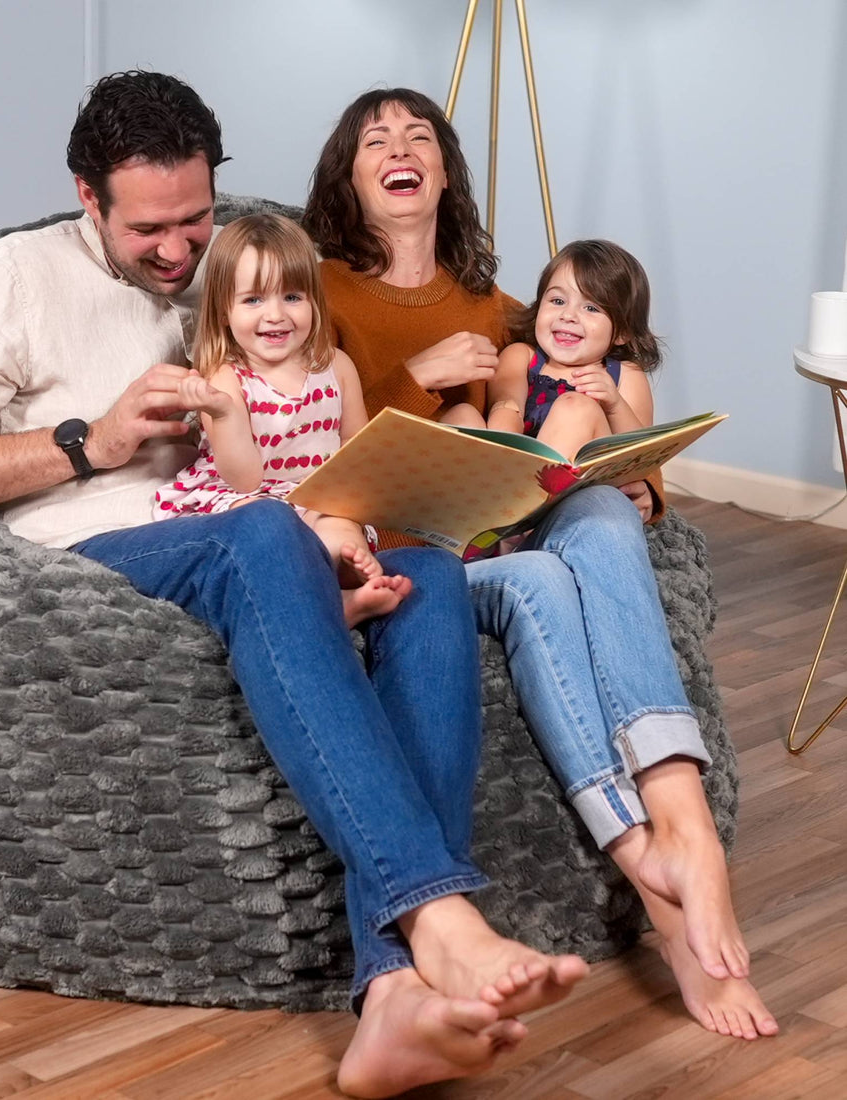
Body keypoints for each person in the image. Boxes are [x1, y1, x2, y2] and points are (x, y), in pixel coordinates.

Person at [0, 71, 591, 1098]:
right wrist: (87, 441)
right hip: (115, 552)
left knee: (420, 564)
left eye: (195, 218)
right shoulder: (11, 281)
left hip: (261, 529)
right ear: (86, 197)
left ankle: (392, 996)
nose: (175, 249)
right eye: (147, 228)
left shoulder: (231, 268)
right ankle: (437, 916)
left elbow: (307, 404)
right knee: (260, 535)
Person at [305, 86, 778, 1042]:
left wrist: (642, 477)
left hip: (508, 525)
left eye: (419, 135)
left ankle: (679, 821)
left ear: (444, 169)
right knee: (543, 580)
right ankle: (656, 881)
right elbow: (297, 450)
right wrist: (416, 380)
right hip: (416, 550)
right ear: (348, 175)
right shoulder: (313, 289)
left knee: (602, 510)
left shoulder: (497, 301)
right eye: (374, 138)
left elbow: (591, 364)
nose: (399, 146)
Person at [154, 213, 408, 627]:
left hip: (313, 499)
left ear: (313, 302)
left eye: (292, 297)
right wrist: (223, 413)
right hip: (248, 501)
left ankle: (343, 576)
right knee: (268, 525)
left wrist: (361, 500)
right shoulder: (225, 379)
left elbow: (357, 450)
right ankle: (335, 605)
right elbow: (244, 480)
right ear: (223, 312)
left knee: (342, 524)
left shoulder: (336, 367)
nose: (276, 315)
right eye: (253, 300)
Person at [487, 239, 658, 459]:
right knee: (462, 414)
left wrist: (615, 404)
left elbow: (643, 455)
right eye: (558, 301)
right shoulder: (521, 356)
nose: (568, 316)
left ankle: (531, 489)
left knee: (576, 407)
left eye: (591, 308)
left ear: (622, 332)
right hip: (518, 467)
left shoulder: (626, 375)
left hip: (585, 481)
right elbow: (505, 409)